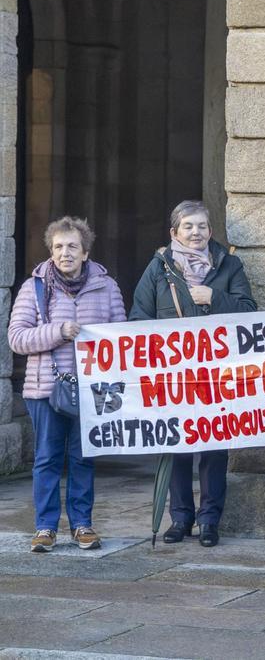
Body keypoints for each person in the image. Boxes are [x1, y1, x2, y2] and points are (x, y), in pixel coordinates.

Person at [130, 200, 257, 548]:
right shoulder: (159, 269)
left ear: (210, 231)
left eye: (201, 226)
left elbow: (249, 311)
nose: (195, 232)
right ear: (175, 232)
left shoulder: (229, 265)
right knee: (176, 447)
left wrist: (214, 297)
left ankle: (209, 520)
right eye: (188, 226)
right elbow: (139, 318)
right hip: (173, 377)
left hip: (218, 376)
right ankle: (181, 518)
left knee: (215, 449)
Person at [9, 217, 126, 553]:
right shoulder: (34, 288)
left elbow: (121, 338)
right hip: (45, 389)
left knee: (83, 457)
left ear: (85, 252)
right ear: (51, 251)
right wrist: (58, 332)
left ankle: (82, 525)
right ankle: (45, 527)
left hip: (91, 389)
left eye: (73, 246)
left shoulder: (107, 287)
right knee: (47, 458)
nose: (65, 252)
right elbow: (17, 338)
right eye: (59, 246)